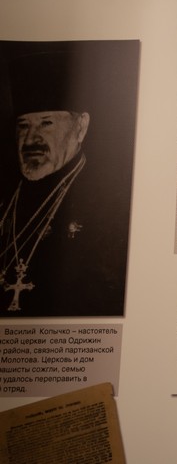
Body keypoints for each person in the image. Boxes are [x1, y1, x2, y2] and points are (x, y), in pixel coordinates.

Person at [0, 49, 129, 316]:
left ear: (80, 127)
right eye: (23, 125)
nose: (30, 139)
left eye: (46, 123)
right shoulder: (6, 194)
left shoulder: (111, 203)